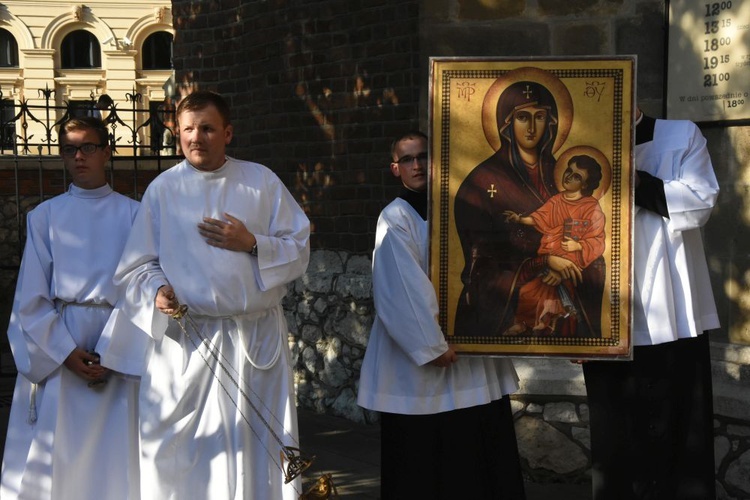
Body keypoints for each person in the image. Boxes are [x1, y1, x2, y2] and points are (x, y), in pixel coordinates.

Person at [99, 90, 310, 500]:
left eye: (208, 128)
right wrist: (157, 290)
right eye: (188, 129)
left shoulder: (261, 181)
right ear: (177, 133)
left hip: (253, 341)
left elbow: (299, 247)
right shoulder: (164, 189)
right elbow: (137, 265)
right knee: (176, 451)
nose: (197, 137)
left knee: (256, 447)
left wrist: (252, 242)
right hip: (187, 343)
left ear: (227, 133)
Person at [357, 131, 526, 499]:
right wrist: (430, 345)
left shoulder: (465, 207)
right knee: (426, 461)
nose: (417, 165)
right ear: (395, 168)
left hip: (472, 348)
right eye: (408, 159)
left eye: (423, 156)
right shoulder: (395, 217)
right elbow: (400, 285)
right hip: (426, 358)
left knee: (477, 455)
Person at [582, 109, 720, 499]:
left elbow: (701, 203)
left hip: (672, 313)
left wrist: (637, 182)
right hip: (605, 318)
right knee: (615, 446)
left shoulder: (681, 135)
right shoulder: (578, 146)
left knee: (677, 436)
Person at [1, 117, 140, 499]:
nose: (79, 156)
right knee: (58, 448)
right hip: (64, 339)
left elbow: (140, 292)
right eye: (70, 149)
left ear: (107, 152)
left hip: (116, 342)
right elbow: (31, 297)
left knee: (114, 453)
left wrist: (113, 352)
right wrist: (65, 353)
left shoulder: (135, 215)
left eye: (88, 147)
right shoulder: (45, 217)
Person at [454, 78, 605, 338]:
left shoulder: (560, 174)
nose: (532, 127)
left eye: (540, 117)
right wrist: (543, 262)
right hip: (511, 287)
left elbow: (589, 231)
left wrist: (568, 263)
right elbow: (481, 259)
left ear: (551, 122)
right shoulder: (482, 180)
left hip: (565, 277)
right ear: (507, 124)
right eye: (523, 117)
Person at [503, 154, 606, 336]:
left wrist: (579, 245)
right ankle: (526, 322)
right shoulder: (557, 200)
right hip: (550, 257)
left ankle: (544, 321)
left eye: (576, 176)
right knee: (528, 291)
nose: (568, 176)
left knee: (551, 291)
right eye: (569, 170)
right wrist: (519, 219)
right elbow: (540, 218)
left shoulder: (591, 206)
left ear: (585, 185)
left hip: (572, 262)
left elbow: (598, 238)